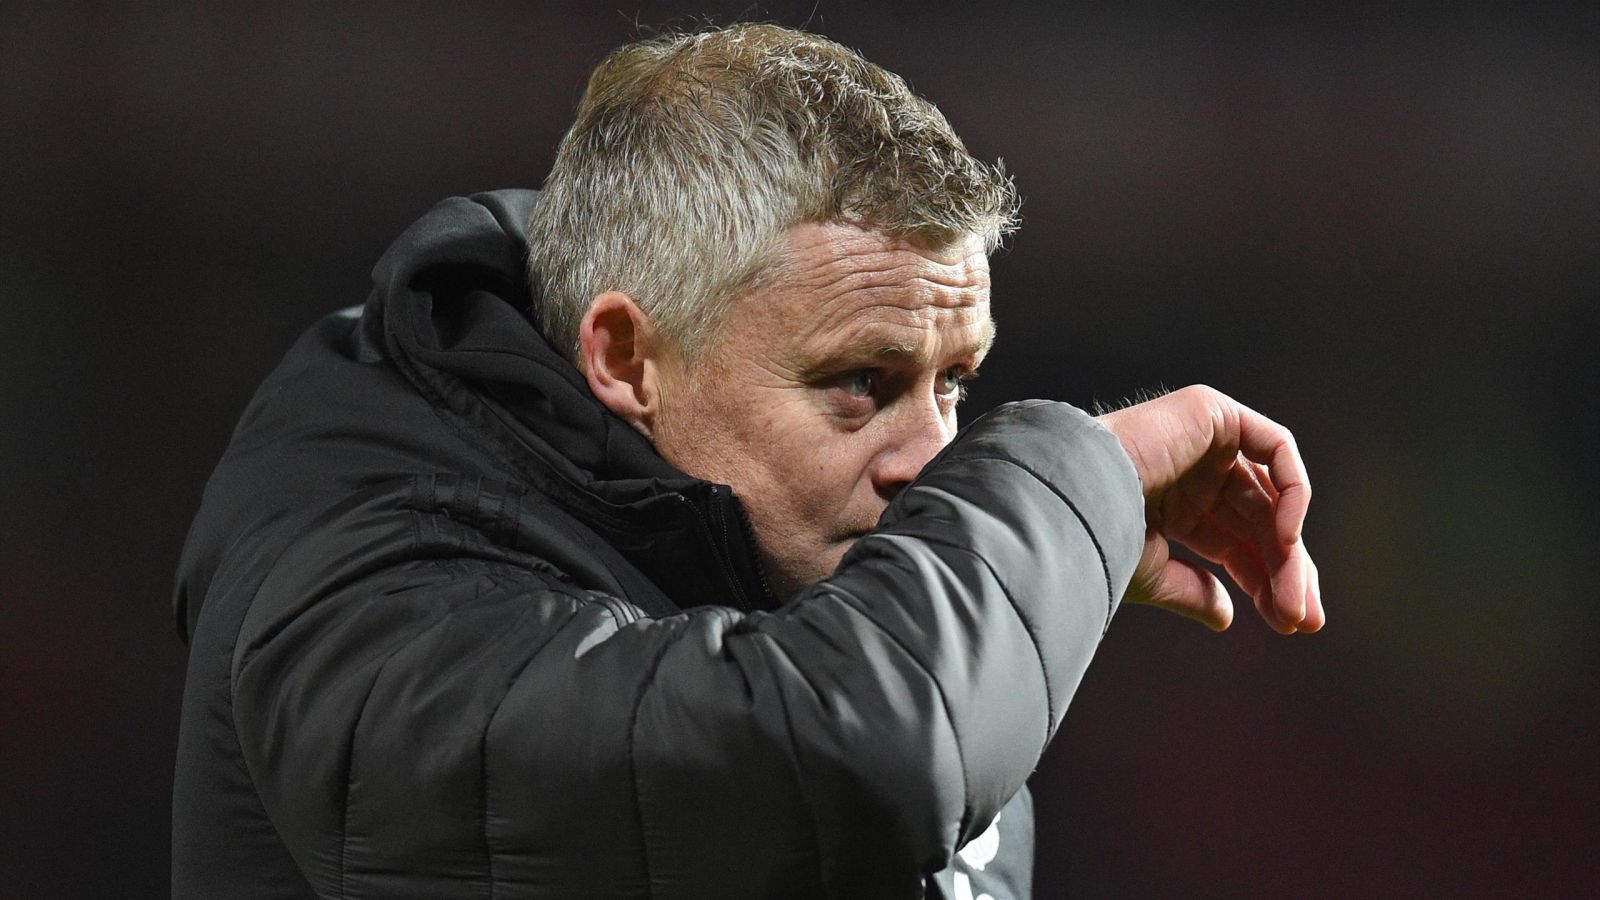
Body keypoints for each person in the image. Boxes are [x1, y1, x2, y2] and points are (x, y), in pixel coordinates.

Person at [171, 23, 1322, 900]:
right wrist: (1071, 485)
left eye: (954, 384)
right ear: (626, 357)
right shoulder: (366, 592)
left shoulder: (889, 622)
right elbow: (857, 754)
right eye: (858, 383)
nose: (934, 460)